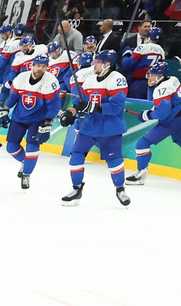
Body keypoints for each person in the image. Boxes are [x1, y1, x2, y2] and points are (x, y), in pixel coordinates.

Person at [58, 48, 130, 206]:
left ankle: (120, 189)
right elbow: (82, 104)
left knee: (114, 161)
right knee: (76, 156)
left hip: (110, 128)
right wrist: (72, 112)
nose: (94, 64)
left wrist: (94, 108)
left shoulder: (117, 79)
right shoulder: (89, 80)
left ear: (107, 64)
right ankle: (76, 189)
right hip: (89, 126)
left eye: (97, 62)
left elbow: (116, 107)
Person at [126, 62, 181, 184]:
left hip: (172, 121)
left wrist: (147, 115)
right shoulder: (173, 79)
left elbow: (163, 113)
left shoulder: (161, 89)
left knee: (142, 143)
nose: (149, 78)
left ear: (161, 76)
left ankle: (140, 176)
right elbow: (165, 103)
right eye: (149, 75)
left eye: (152, 75)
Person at [0, 53, 61, 189]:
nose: (40, 68)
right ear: (32, 65)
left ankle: (26, 173)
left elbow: (54, 105)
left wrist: (48, 122)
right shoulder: (21, 78)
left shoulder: (51, 81)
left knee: (32, 146)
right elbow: (14, 97)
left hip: (38, 119)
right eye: (38, 65)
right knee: (11, 147)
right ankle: (25, 162)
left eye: (44, 66)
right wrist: (5, 109)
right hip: (19, 117)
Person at [120, 27, 164, 100]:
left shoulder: (142, 47)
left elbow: (126, 65)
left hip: (138, 84)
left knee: (134, 108)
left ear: (148, 37)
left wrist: (127, 53)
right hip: (153, 84)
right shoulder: (161, 50)